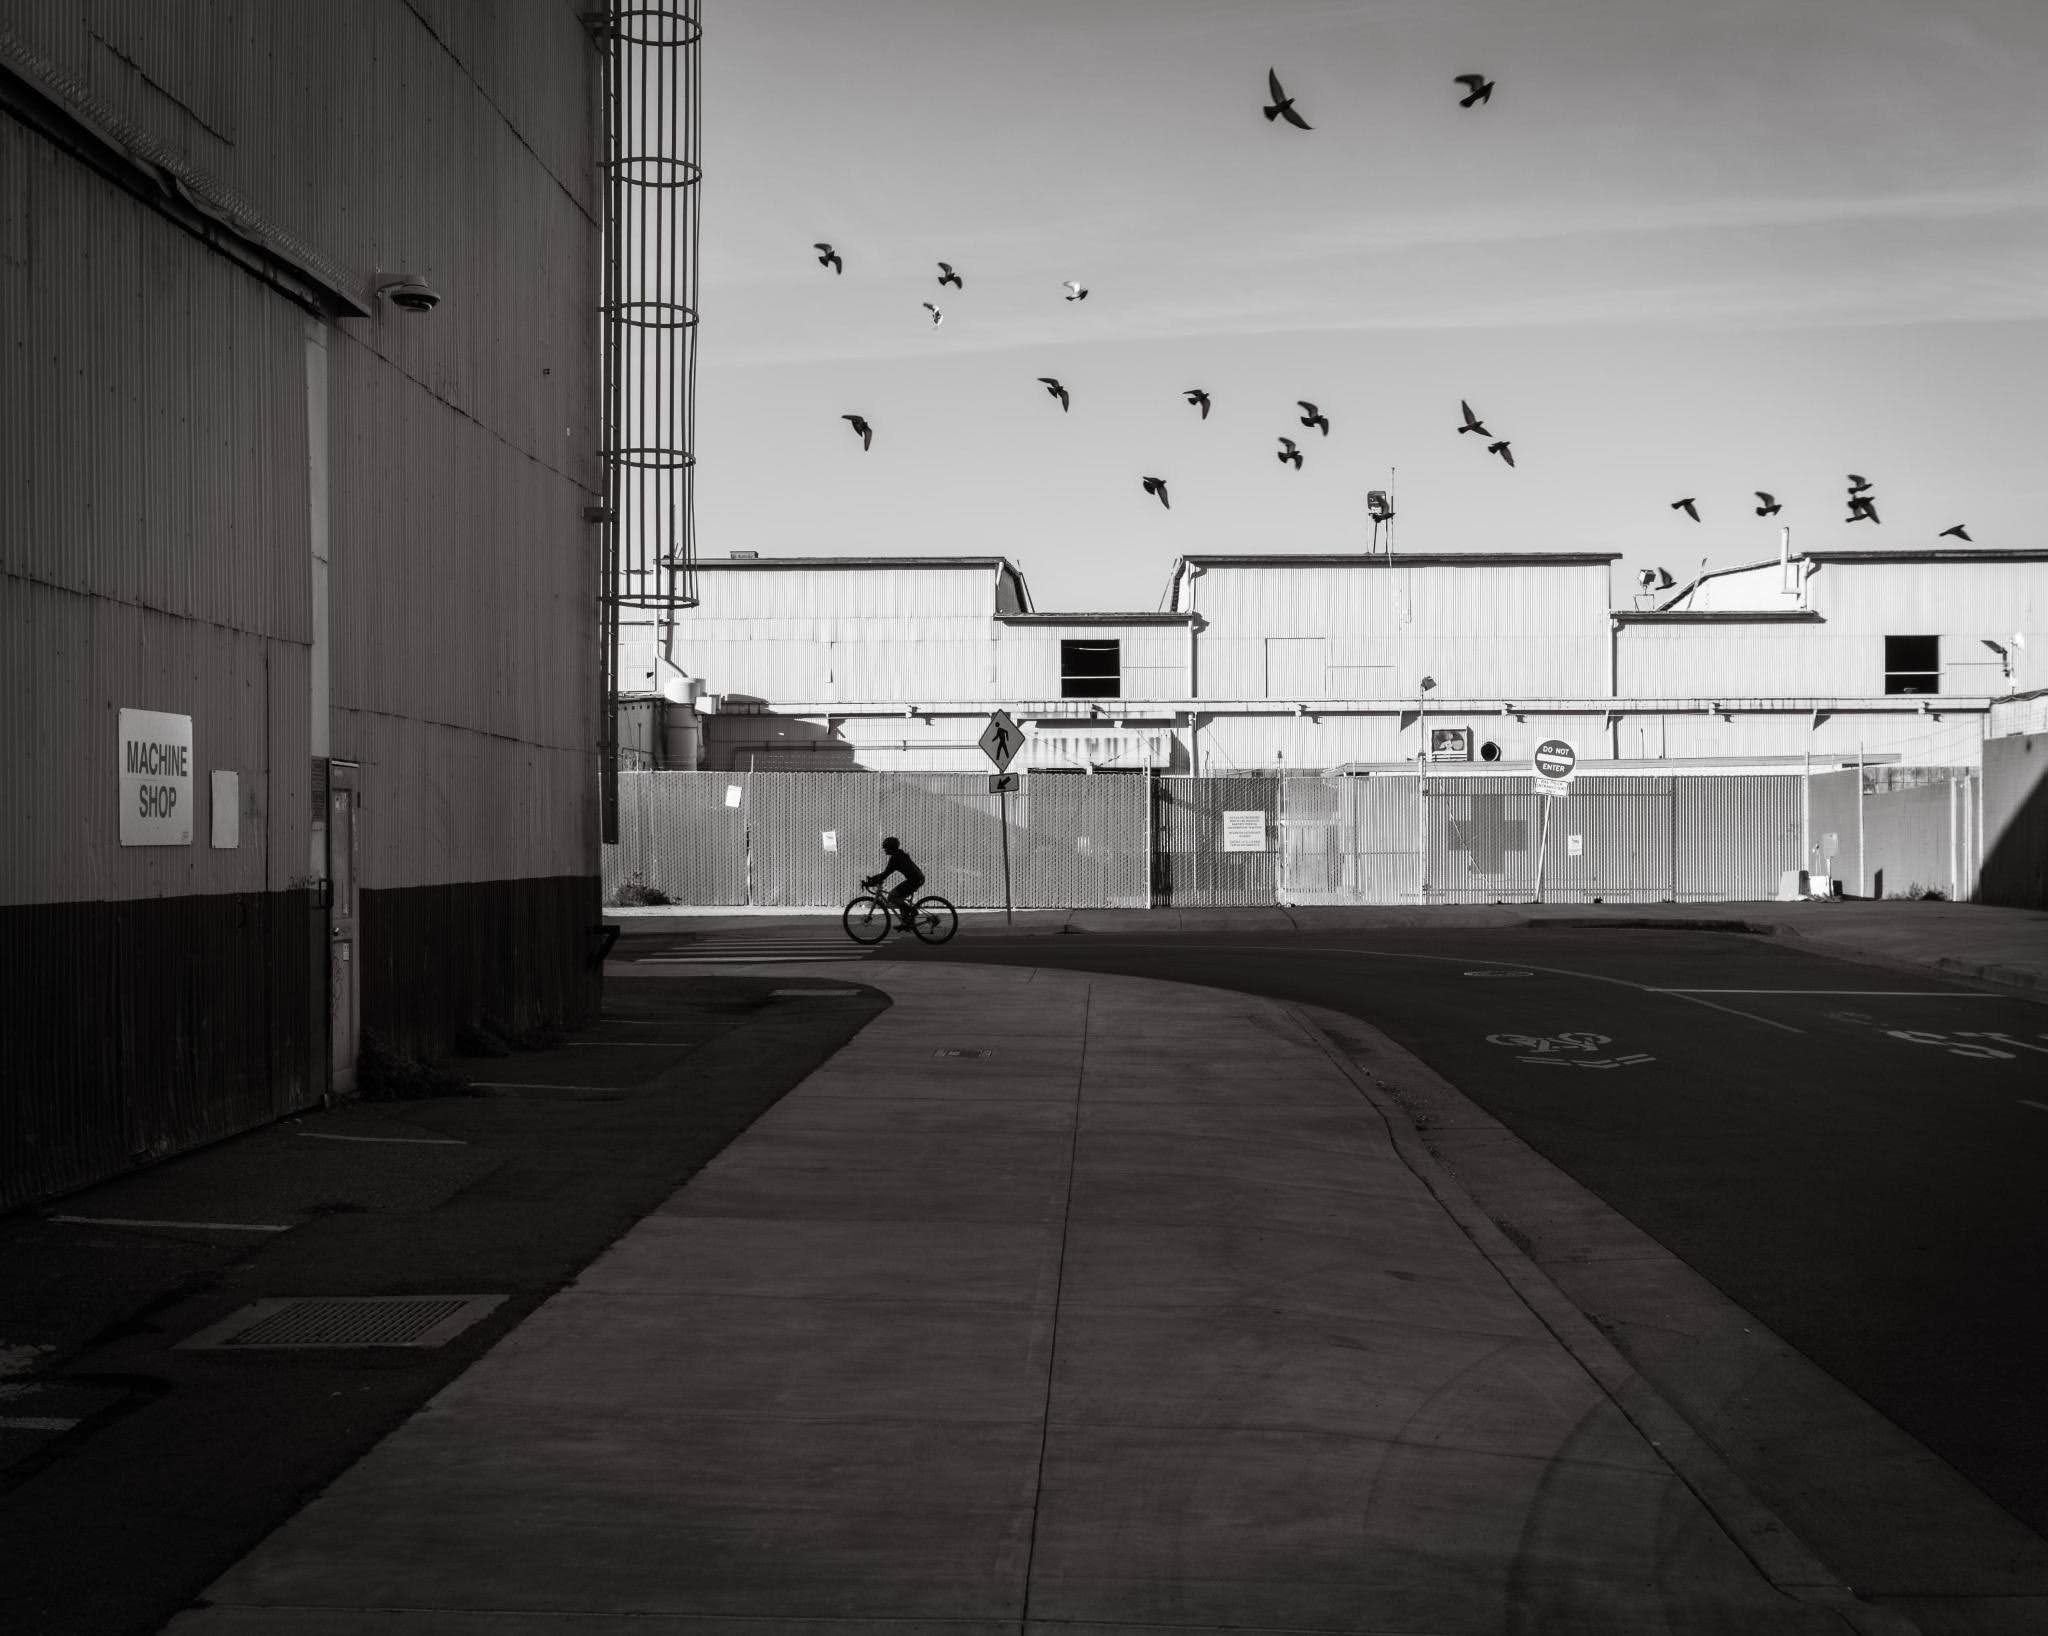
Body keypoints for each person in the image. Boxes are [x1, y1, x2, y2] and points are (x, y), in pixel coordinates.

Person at [863, 836, 925, 929]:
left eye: (886, 848)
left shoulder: (896, 858)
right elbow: (885, 873)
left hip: (914, 880)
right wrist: (873, 879)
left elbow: (885, 874)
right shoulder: (898, 854)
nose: (884, 850)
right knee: (898, 898)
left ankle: (912, 911)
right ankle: (906, 922)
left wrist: (871, 881)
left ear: (891, 848)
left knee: (892, 896)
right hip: (916, 879)